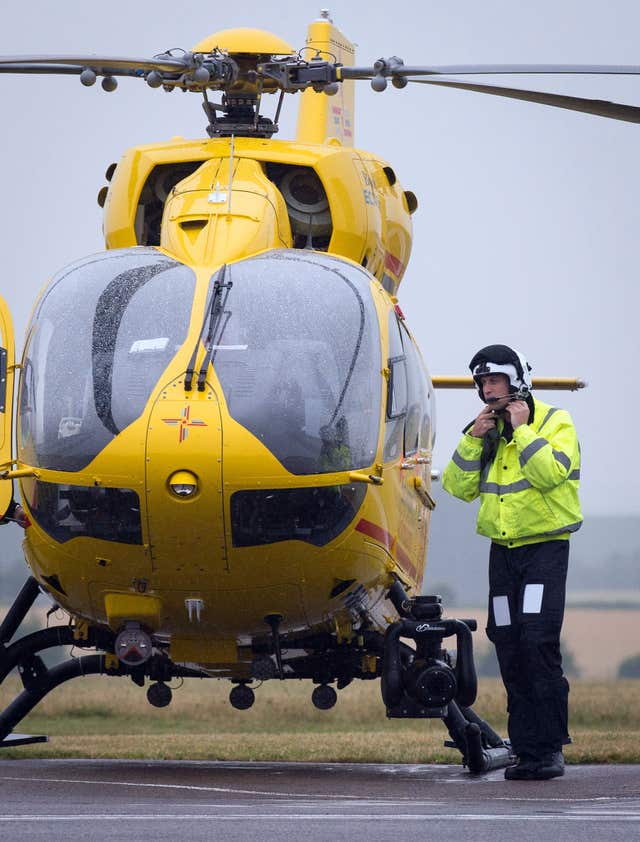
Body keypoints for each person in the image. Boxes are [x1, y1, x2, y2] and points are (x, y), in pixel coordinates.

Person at [442, 344, 582, 781]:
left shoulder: (554, 421)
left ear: (516, 380)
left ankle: (550, 750)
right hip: (502, 555)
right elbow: (455, 487)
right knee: (508, 643)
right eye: (482, 383)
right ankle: (525, 748)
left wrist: (521, 431)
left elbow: (550, 474)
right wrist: (473, 438)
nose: (487, 390)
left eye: (494, 381)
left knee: (539, 644)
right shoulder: (485, 430)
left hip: (544, 550)